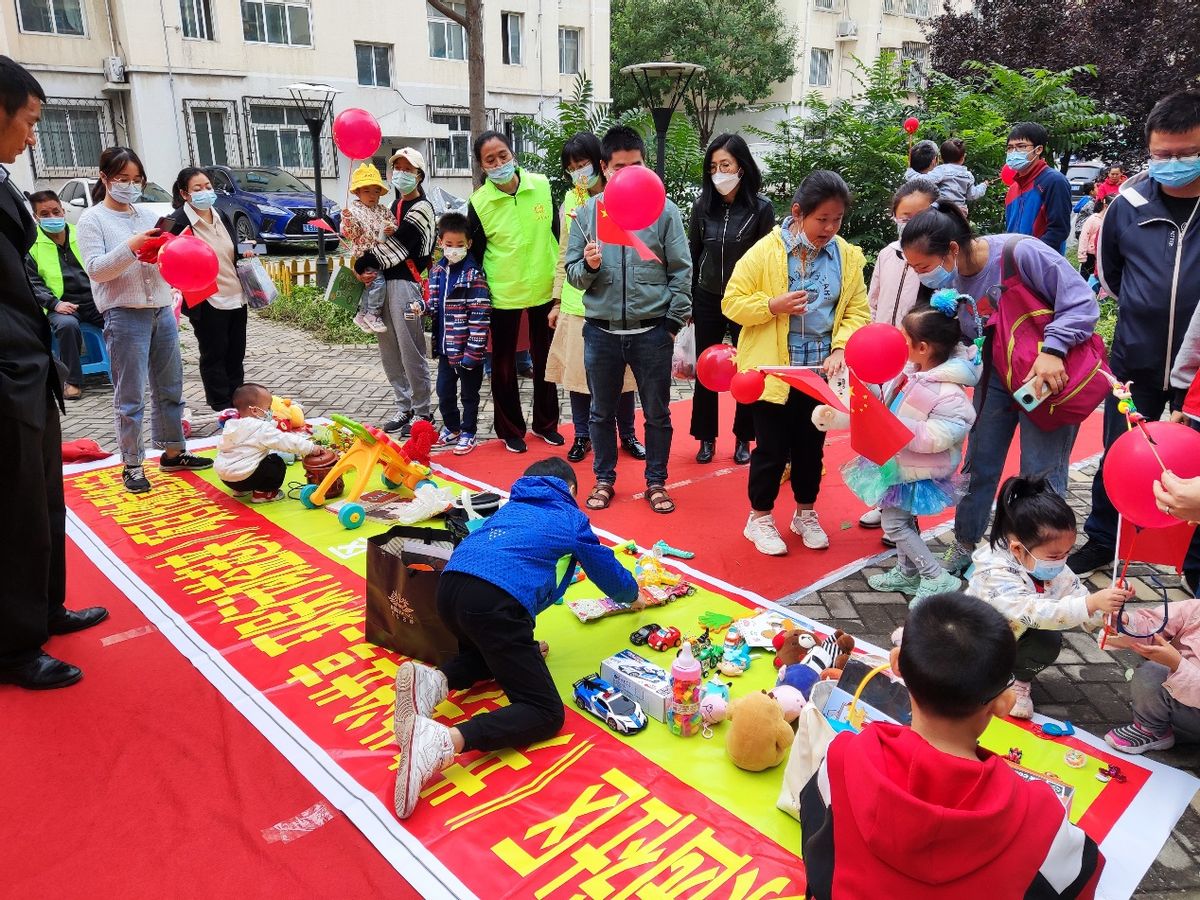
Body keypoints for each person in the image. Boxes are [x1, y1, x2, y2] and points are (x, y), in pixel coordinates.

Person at [800, 590, 1105, 899]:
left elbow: (817, 847)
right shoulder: (1043, 821)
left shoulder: (844, 758)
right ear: (1003, 704)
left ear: (896, 664)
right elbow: (1081, 879)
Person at [391, 457, 640, 818]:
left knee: (493, 652)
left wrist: (521, 646)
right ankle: (443, 741)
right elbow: (605, 569)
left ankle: (434, 680)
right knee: (544, 712)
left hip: (450, 591)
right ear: (570, 490)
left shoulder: (510, 509)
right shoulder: (569, 517)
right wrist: (633, 595)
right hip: (493, 604)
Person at [899, 203, 1099, 575]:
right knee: (979, 464)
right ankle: (964, 543)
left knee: (1040, 474)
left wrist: (1054, 349)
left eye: (923, 267)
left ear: (953, 250)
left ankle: (1038, 562)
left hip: (1045, 379)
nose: (920, 276)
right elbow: (957, 338)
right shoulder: (949, 285)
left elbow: (1081, 304)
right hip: (995, 378)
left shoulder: (1020, 252)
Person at [0, 56, 108, 690]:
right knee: (13, 512)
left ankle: (44, 608)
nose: (32, 137)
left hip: (28, 365)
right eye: (29, 122)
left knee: (41, 501)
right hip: (6, 371)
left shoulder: (6, 180)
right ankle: (14, 646)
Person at [1071, 89, 1200, 584]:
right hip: (1136, 358)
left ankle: (1193, 558)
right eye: (1161, 154)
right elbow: (1113, 275)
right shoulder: (1129, 204)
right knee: (1119, 452)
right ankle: (1103, 539)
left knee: (1194, 462)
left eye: (1185, 154)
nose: (1171, 164)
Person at [723, 170, 869, 556]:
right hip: (772, 371)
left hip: (820, 371)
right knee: (770, 449)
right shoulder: (764, 252)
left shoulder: (847, 257)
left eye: (837, 220)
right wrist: (772, 305)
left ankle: (805, 513)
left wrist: (841, 347)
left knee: (811, 448)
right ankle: (760, 518)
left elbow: (857, 310)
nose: (830, 228)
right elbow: (731, 302)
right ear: (798, 212)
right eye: (822, 219)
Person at [564, 125, 692, 514]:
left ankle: (656, 481)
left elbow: (682, 271)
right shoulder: (587, 214)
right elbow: (572, 273)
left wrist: (670, 325)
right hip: (601, 333)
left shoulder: (664, 211)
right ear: (604, 168)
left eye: (635, 165)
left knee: (657, 412)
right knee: (600, 412)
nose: (628, 174)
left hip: (652, 331)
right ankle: (604, 479)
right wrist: (587, 267)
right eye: (619, 167)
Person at [77, 146, 213, 494]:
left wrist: (162, 250)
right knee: (131, 395)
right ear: (104, 178)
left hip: (160, 309)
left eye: (137, 180)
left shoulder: (145, 214)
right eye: (123, 179)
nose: (130, 186)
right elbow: (97, 270)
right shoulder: (93, 220)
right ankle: (133, 463)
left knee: (170, 387)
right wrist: (132, 247)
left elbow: (161, 260)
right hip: (124, 315)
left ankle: (173, 450)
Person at [829, 298, 978, 603]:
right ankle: (906, 571)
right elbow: (885, 396)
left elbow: (946, 432)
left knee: (895, 524)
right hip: (899, 462)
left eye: (903, 339)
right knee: (905, 520)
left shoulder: (947, 390)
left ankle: (935, 577)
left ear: (922, 347)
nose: (895, 344)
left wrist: (898, 431)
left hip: (919, 467)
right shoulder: (910, 370)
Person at [967, 475, 1131, 718]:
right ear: (1017, 549)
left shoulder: (1054, 566)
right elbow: (1032, 612)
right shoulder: (995, 571)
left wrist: (1105, 611)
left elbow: (1078, 598)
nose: (1063, 561)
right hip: (976, 641)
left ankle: (1018, 680)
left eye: (1068, 552)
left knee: (1047, 640)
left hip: (1014, 636)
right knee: (961, 683)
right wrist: (1090, 604)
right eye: (1055, 556)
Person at [546, 131, 644, 465]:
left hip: (618, 303)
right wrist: (557, 301)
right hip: (578, 303)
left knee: (623, 377)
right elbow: (563, 254)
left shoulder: (627, 196)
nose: (580, 172)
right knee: (577, 376)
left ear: (600, 164)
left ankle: (628, 433)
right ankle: (582, 436)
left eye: (584, 163)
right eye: (572, 167)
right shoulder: (571, 203)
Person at [468, 130, 561, 453]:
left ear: (513, 153)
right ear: (482, 166)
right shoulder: (479, 203)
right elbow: (476, 253)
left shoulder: (542, 186)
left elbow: (555, 233)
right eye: (490, 159)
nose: (499, 163)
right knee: (504, 366)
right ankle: (510, 429)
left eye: (503, 155)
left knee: (545, 360)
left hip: (544, 288)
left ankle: (547, 424)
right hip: (503, 294)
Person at [688, 133, 775, 466]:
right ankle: (706, 438)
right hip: (708, 297)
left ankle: (743, 437)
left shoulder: (761, 209)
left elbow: (769, 262)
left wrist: (765, 304)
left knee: (746, 371)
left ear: (742, 166)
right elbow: (692, 255)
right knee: (705, 370)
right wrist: (688, 301)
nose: (719, 172)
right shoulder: (702, 206)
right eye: (713, 166)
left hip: (747, 301)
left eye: (725, 164)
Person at [165, 165, 253, 412]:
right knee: (214, 354)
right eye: (197, 189)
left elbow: (230, 251)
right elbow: (162, 256)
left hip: (236, 294)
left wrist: (245, 250)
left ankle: (238, 401)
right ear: (184, 194)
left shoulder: (220, 214)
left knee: (236, 353)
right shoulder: (177, 221)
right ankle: (221, 405)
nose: (205, 192)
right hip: (207, 299)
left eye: (208, 187)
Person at [365, 147, 436, 435]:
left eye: (408, 170)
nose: (401, 174)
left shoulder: (423, 210)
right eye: (397, 168)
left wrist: (363, 262)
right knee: (389, 349)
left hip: (407, 284)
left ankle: (422, 411)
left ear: (419, 175)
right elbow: (377, 244)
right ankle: (403, 406)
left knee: (411, 349)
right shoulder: (390, 208)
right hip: (382, 284)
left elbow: (399, 250)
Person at [24, 189, 103, 400]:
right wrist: (55, 303)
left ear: (63, 210)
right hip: (60, 305)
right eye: (44, 214)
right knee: (67, 326)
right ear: (35, 217)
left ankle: (128, 370)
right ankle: (73, 381)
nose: (52, 217)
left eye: (55, 211)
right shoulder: (31, 245)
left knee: (120, 318)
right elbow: (32, 283)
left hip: (95, 299)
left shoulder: (83, 233)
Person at [427, 212, 489, 456]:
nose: (453, 249)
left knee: (469, 395)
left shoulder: (474, 275)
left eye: (459, 245)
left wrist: (473, 352)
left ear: (469, 244)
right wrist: (421, 308)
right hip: (445, 348)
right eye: (449, 245)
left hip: (468, 350)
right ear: (440, 242)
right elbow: (433, 304)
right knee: (444, 391)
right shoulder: (437, 271)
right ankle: (452, 427)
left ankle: (468, 432)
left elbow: (480, 316)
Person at [1104, 598, 1200, 754]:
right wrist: (1126, 623)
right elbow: (1156, 622)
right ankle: (1152, 730)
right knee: (1150, 673)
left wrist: (1177, 664)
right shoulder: (1195, 609)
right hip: (1184, 704)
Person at [214, 382, 318, 502]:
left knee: (246, 457)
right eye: (268, 408)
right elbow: (285, 441)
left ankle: (240, 491)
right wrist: (311, 447)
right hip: (245, 477)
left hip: (226, 478)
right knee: (276, 462)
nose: (270, 412)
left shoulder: (231, 424)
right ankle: (264, 494)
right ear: (254, 411)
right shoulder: (261, 428)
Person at [340, 162, 395, 334]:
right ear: (357, 192)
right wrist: (348, 219)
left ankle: (362, 314)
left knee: (370, 285)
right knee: (377, 282)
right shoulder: (354, 210)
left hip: (381, 254)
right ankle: (373, 314)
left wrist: (392, 229)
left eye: (376, 191)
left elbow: (394, 223)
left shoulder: (383, 210)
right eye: (367, 191)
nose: (372, 196)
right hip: (366, 255)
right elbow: (351, 233)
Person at [1003, 122, 1073, 254]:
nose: (1013, 152)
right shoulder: (1013, 188)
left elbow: (1058, 230)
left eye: (1021, 146)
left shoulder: (1053, 181)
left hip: (1042, 264)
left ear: (1038, 149)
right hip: (1015, 263)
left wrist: (1031, 256)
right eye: (1010, 148)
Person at [927, 138, 989, 215]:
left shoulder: (941, 170)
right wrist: (983, 185)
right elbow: (972, 195)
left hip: (942, 210)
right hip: (960, 212)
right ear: (963, 158)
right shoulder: (968, 175)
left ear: (941, 158)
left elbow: (926, 181)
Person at [1076, 194, 1108, 281]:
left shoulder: (1111, 220)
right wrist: (1082, 255)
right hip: (1090, 255)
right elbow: (1084, 237)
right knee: (1085, 278)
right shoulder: (1093, 219)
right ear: (1105, 205)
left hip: (1102, 255)